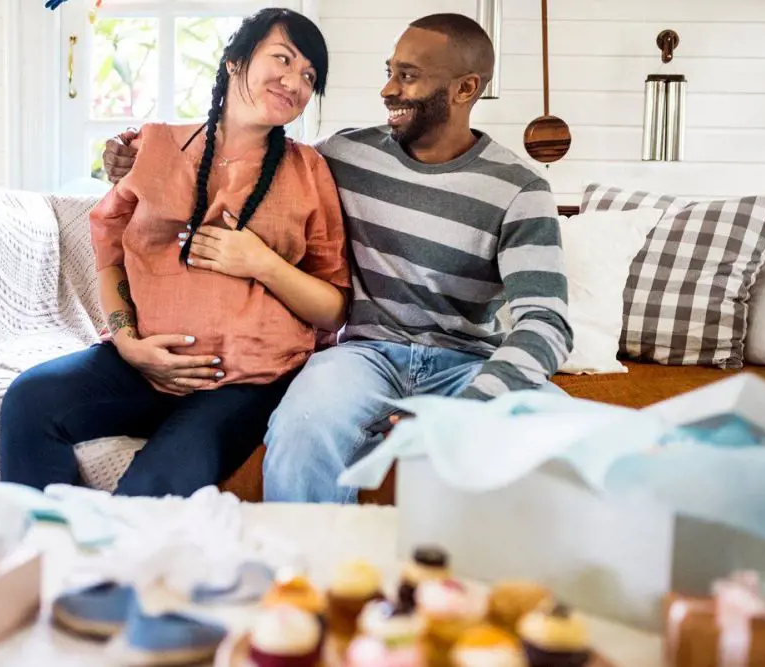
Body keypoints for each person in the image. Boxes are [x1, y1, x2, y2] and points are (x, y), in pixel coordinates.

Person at [100, 13, 573, 503]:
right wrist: (134, 153)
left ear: (464, 89)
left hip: (469, 365)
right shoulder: (345, 154)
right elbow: (250, 155)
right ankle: (304, 574)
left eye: (407, 76)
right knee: (301, 425)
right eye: (389, 71)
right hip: (364, 357)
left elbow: (546, 323)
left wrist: (473, 407)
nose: (388, 89)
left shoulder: (520, 189)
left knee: (568, 439)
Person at [0, 7, 350, 498]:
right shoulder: (157, 145)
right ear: (234, 61)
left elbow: (334, 307)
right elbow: (111, 253)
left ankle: (110, 570)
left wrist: (260, 263)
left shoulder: (308, 169)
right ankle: (41, 550)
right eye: (283, 59)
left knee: (157, 485)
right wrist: (128, 345)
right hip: (141, 368)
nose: (295, 81)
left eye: (309, 76)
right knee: (30, 398)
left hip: (246, 382)